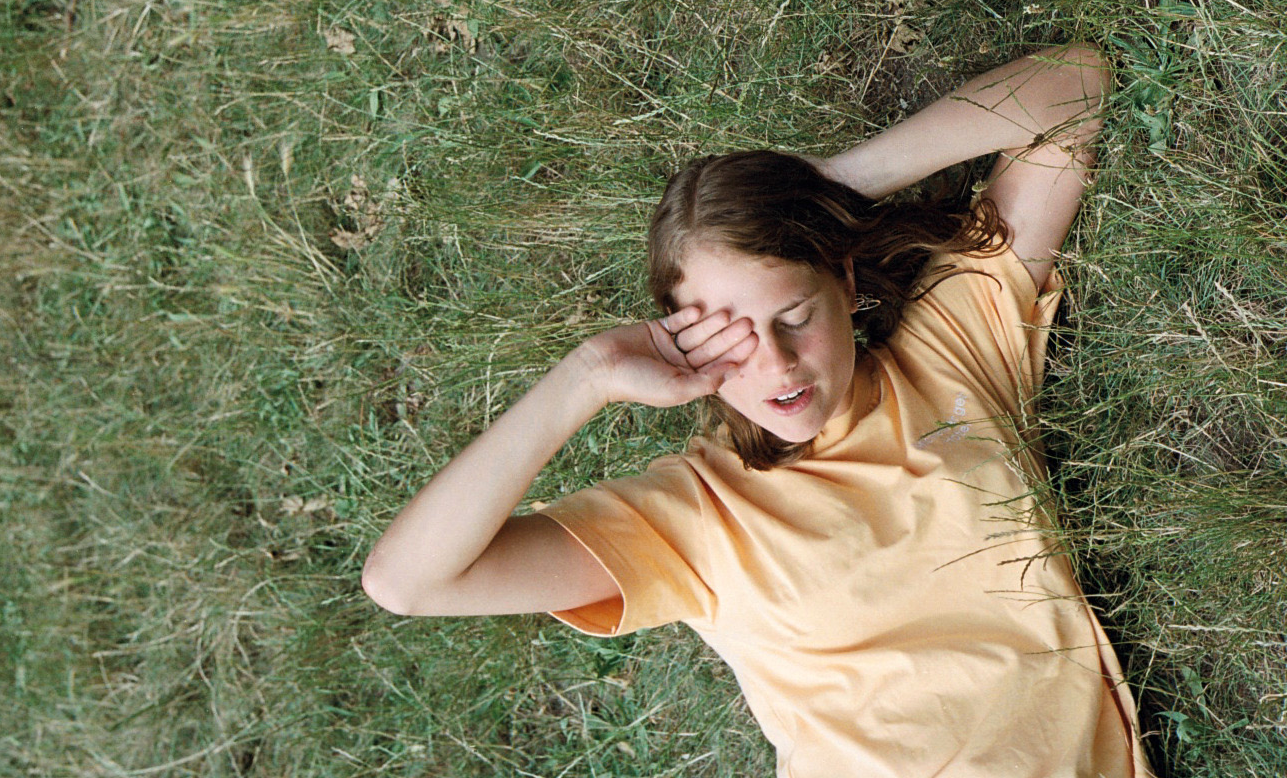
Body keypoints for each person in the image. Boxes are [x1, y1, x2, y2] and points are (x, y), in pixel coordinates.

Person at [361, 43, 1153, 777]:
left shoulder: (950, 355)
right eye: (730, 336)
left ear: (844, 286)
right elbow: (409, 583)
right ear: (679, 340)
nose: (777, 364)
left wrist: (836, 186)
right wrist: (587, 376)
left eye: (794, 317)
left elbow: (1076, 87)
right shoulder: (698, 516)